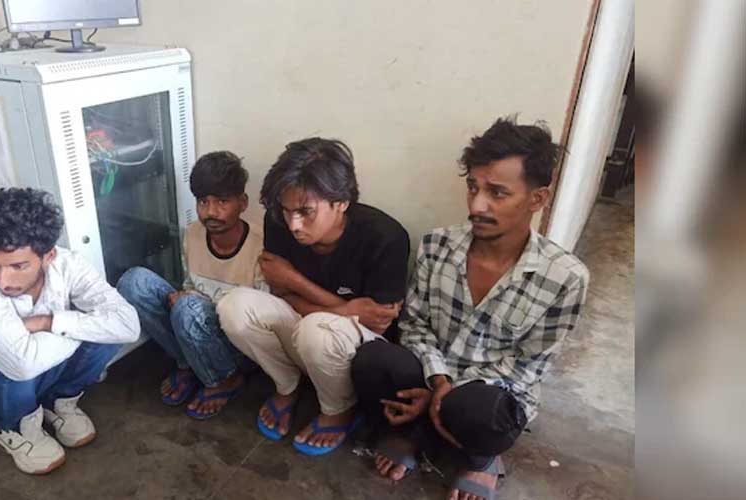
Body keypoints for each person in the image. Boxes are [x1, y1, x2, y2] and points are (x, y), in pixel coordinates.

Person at [351, 117, 589, 500]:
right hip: (431, 376)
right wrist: (438, 383)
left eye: (497, 193)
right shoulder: (437, 246)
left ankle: (481, 458)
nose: (477, 204)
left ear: (537, 199)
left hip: (488, 394)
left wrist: (449, 394)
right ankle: (414, 431)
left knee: (480, 411)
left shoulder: (565, 277)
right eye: (473, 187)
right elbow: (415, 326)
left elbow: (529, 366)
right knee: (372, 359)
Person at [217, 137, 410, 456]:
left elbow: (376, 324)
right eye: (287, 210)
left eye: (306, 212)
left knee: (317, 330)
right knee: (233, 306)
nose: (294, 224)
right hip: (307, 333)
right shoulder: (278, 222)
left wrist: (295, 280)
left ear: (341, 202)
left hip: (352, 352)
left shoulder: (385, 237)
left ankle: (338, 409)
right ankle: (287, 385)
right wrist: (348, 308)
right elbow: (280, 294)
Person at [0, 188, 139, 475]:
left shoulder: (68, 264)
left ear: (48, 256)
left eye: (18, 266)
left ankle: (58, 400)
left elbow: (128, 325)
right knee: (14, 359)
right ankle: (13, 427)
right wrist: (79, 325)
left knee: (107, 334)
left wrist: (49, 322)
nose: (3, 280)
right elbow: (21, 364)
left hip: (43, 363)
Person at [116, 151, 264, 419]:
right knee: (133, 282)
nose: (211, 212)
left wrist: (193, 303)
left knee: (188, 308)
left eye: (222, 201)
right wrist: (185, 296)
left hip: (238, 347)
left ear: (242, 203)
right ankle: (189, 364)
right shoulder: (194, 233)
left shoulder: (260, 245)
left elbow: (259, 321)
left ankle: (225, 379)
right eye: (203, 201)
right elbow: (191, 284)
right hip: (193, 323)